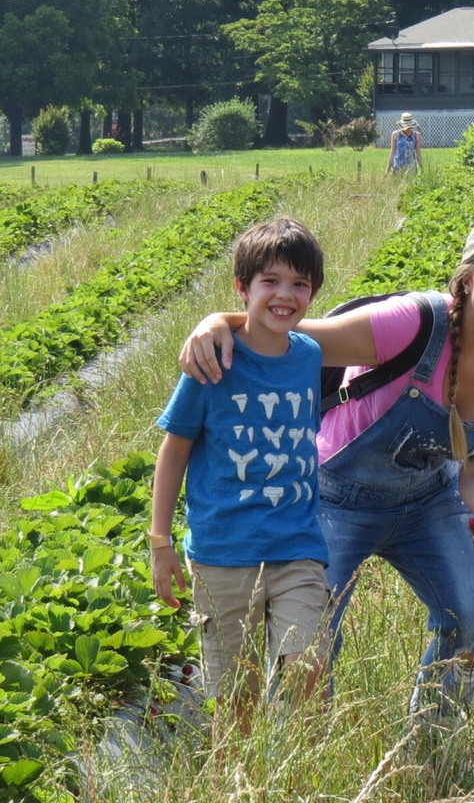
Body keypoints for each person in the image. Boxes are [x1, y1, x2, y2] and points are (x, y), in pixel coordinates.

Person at [178, 212, 474, 720]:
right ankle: (293, 748)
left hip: (428, 500)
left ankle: (436, 734)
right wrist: (218, 321)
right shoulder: (414, 323)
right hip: (335, 495)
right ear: (468, 275)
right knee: (307, 635)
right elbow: (283, 328)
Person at [150, 217, 330, 742]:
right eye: (270, 281)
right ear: (242, 288)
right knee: (233, 699)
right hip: (223, 555)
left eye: (300, 284)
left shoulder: (310, 355)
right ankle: (240, 778)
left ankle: (299, 776)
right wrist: (160, 542)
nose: (285, 295)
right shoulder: (212, 363)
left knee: (306, 668)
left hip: (297, 547)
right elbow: (175, 448)